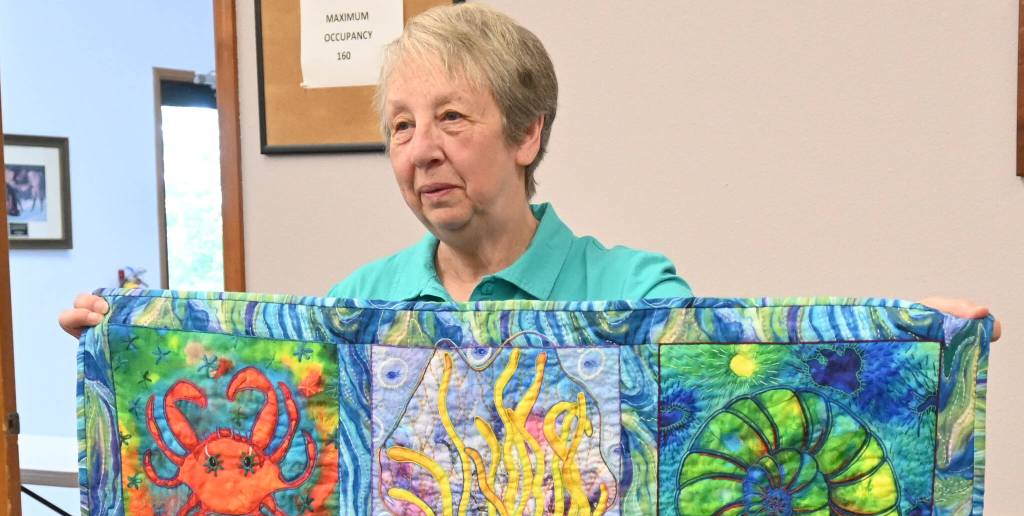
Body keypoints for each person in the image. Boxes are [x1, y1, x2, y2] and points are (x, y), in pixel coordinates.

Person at [58, 4, 1001, 337]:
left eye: (452, 119)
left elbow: (743, 366)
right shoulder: (359, 304)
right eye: (397, 127)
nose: (419, 149)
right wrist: (127, 327)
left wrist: (906, 337)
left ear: (527, 134)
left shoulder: (633, 290)